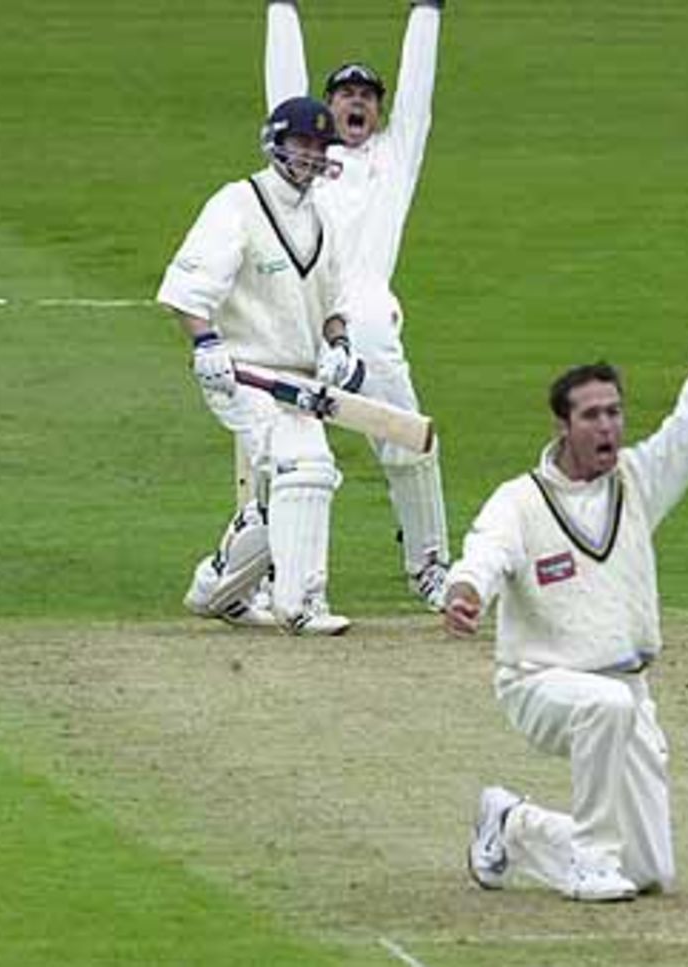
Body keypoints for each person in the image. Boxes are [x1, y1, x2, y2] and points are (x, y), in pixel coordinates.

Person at [443, 239, 688, 902]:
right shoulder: (521, 498)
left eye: (615, 412)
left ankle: (510, 822)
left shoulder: (638, 481)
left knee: (651, 872)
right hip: (540, 684)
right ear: (562, 424)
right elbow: (484, 552)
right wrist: (466, 592)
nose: (609, 427)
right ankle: (588, 859)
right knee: (601, 716)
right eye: (592, 415)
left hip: (629, 692)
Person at [264, 0, 451, 609]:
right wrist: (281, 9)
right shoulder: (305, 161)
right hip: (300, 322)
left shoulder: (395, 160)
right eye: (346, 94)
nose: (357, 103)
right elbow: (283, 86)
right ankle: (279, 579)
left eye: (368, 96)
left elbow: (420, 90)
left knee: (411, 442)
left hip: (370, 327)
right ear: (326, 106)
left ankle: (430, 568)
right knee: (290, 457)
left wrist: (428, 9)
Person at [158, 96, 364, 635]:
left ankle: (218, 589)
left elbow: (335, 302)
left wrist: (339, 345)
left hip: (299, 379)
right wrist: (206, 345)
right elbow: (186, 290)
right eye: (302, 144)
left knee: (304, 480)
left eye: (321, 147)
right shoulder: (237, 203)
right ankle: (299, 604)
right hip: (241, 369)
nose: (312, 156)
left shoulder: (323, 219)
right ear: (276, 142)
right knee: (301, 468)